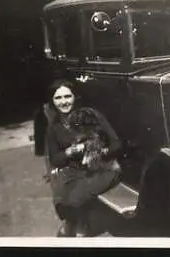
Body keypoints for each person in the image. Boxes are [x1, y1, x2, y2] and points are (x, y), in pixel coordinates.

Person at [42, 79, 122, 237]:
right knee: (61, 201)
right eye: (58, 98)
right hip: (76, 170)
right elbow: (55, 160)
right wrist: (70, 151)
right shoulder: (54, 127)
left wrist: (97, 152)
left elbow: (117, 144)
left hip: (103, 168)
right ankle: (76, 223)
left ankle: (79, 229)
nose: (64, 102)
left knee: (74, 199)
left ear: (74, 97)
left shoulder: (91, 115)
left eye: (67, 96)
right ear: (52, 101)